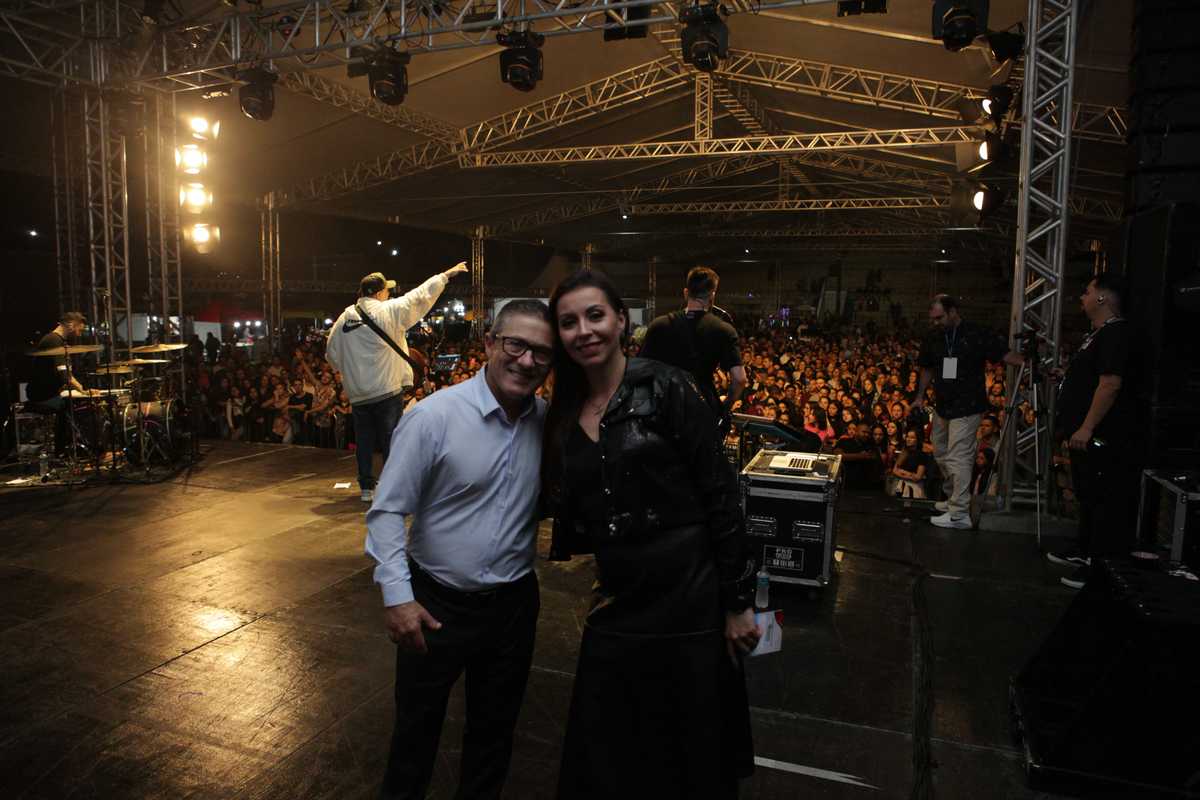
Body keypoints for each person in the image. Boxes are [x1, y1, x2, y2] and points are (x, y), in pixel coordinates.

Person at [542, 270, 760, 800]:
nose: (583, 330)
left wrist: (738, 603)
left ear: (621, 321)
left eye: (595, 315)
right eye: (568, 322)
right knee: (609, 753)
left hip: (691, 596)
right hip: (617, 598)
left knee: (692, 754)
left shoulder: (667, 386)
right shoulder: (562, 412)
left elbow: (721, 495)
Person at [365, 300, 555, 800]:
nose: (526, 360)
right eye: (515, 344)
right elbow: (387, 510)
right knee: (414, 736)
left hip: (513, 607)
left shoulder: (548, 423)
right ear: (489, 343)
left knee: (493, 738)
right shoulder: (433, 417)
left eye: (541, 352)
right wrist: (397, 598)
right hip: (436, 606)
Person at [326, 263, 467, 503]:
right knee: (391, 439)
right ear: (379, 293)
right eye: (387, 290)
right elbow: (418, 296)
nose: (389, 293)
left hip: (358, 395)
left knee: (364, 441)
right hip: (386, 390)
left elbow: (332, 357)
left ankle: (366, 489)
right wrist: (444, 276)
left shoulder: (343, 319)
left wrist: (352, 369)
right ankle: (390, 487)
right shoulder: (387, 310)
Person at [1046, 274, 1140, 589]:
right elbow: (1094, 376)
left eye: (1087, 292)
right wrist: (1068, 378)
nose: (1082, 297)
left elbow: (1111, 384)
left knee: (1101, 498)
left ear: (1103, 298)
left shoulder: (1117, 333)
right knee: (1087, 493)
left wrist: (1088, 427)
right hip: (1082, 432)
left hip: (1101, 433)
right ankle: (1083, 550)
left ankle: (1098, 566)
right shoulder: (1099, 333)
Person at [912, 294, 1025, 528]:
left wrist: (1030, 364)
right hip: (943, 404)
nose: (936, 322)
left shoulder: (976, 332)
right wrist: (920, 397)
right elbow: (927, 368)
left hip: (968, 405)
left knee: (958, 457)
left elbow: (1004, 354)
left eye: (939, 317)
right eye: (933, 319)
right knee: (941, 454)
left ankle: (959, 513)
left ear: (953, 311)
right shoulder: (934, 336)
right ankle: (954, 498)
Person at [638, 266, 747, 425]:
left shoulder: (659, 325)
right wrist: (727, 402)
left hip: (664, 413)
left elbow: (640, 372)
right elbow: (739, 378)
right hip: (702, 414)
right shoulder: (724, 330)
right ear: (712, 297)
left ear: (685, 293)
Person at [833, 420, 880, 490]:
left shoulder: (872, 447)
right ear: (856, 431)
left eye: (869, 433)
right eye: (864, 432)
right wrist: (858, 456)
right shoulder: (844, 442)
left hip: (866, 487)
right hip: (846, 485)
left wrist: (876, 459)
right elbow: (837, 456)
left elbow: (880, 471)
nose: (867, 435)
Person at [891, 428, 930, 498]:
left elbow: (918, 477)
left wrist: (903, 472)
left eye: (912, 437)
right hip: (902, 485)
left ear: (918, 440)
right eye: (908, 437)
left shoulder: (921, 455)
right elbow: (894, 470)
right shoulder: (904, 453)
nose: (908, 439)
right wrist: (907, 476)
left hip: (915, 488)